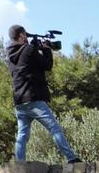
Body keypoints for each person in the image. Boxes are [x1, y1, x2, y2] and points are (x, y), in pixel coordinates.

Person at [5, 24, 81, 163]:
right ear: (21, 35)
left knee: (22, 135)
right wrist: (46, 49)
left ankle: (19, 164)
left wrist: (35, 47)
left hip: (20, 102)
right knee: (55, 128)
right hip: (34, 99)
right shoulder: (29, 49)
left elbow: (26, 64)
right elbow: (47, 65)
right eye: (25, 35)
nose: (26, 37)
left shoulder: (9, 56)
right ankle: (71, 158)